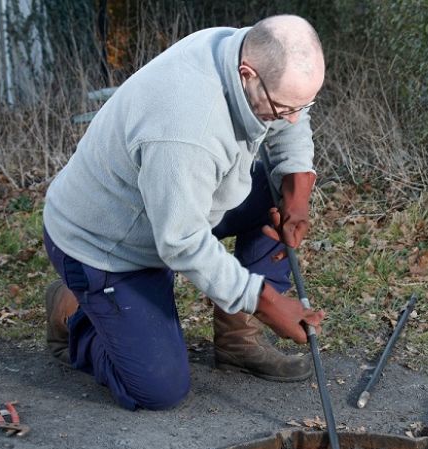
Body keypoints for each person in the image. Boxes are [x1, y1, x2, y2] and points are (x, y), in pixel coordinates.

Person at [42, 14, 326, 410]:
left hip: (177, 202)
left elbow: (291, 115)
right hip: (106, 243)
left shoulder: (242, 51)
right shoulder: (186, 126)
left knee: (271, 189)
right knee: (159, 389)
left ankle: (237, 342)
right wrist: (266, 301)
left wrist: (296, 189)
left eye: (303, 105)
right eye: (284, 108)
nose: (293, 117)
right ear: (248, 74)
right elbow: (181, 241)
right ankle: (73, 312)